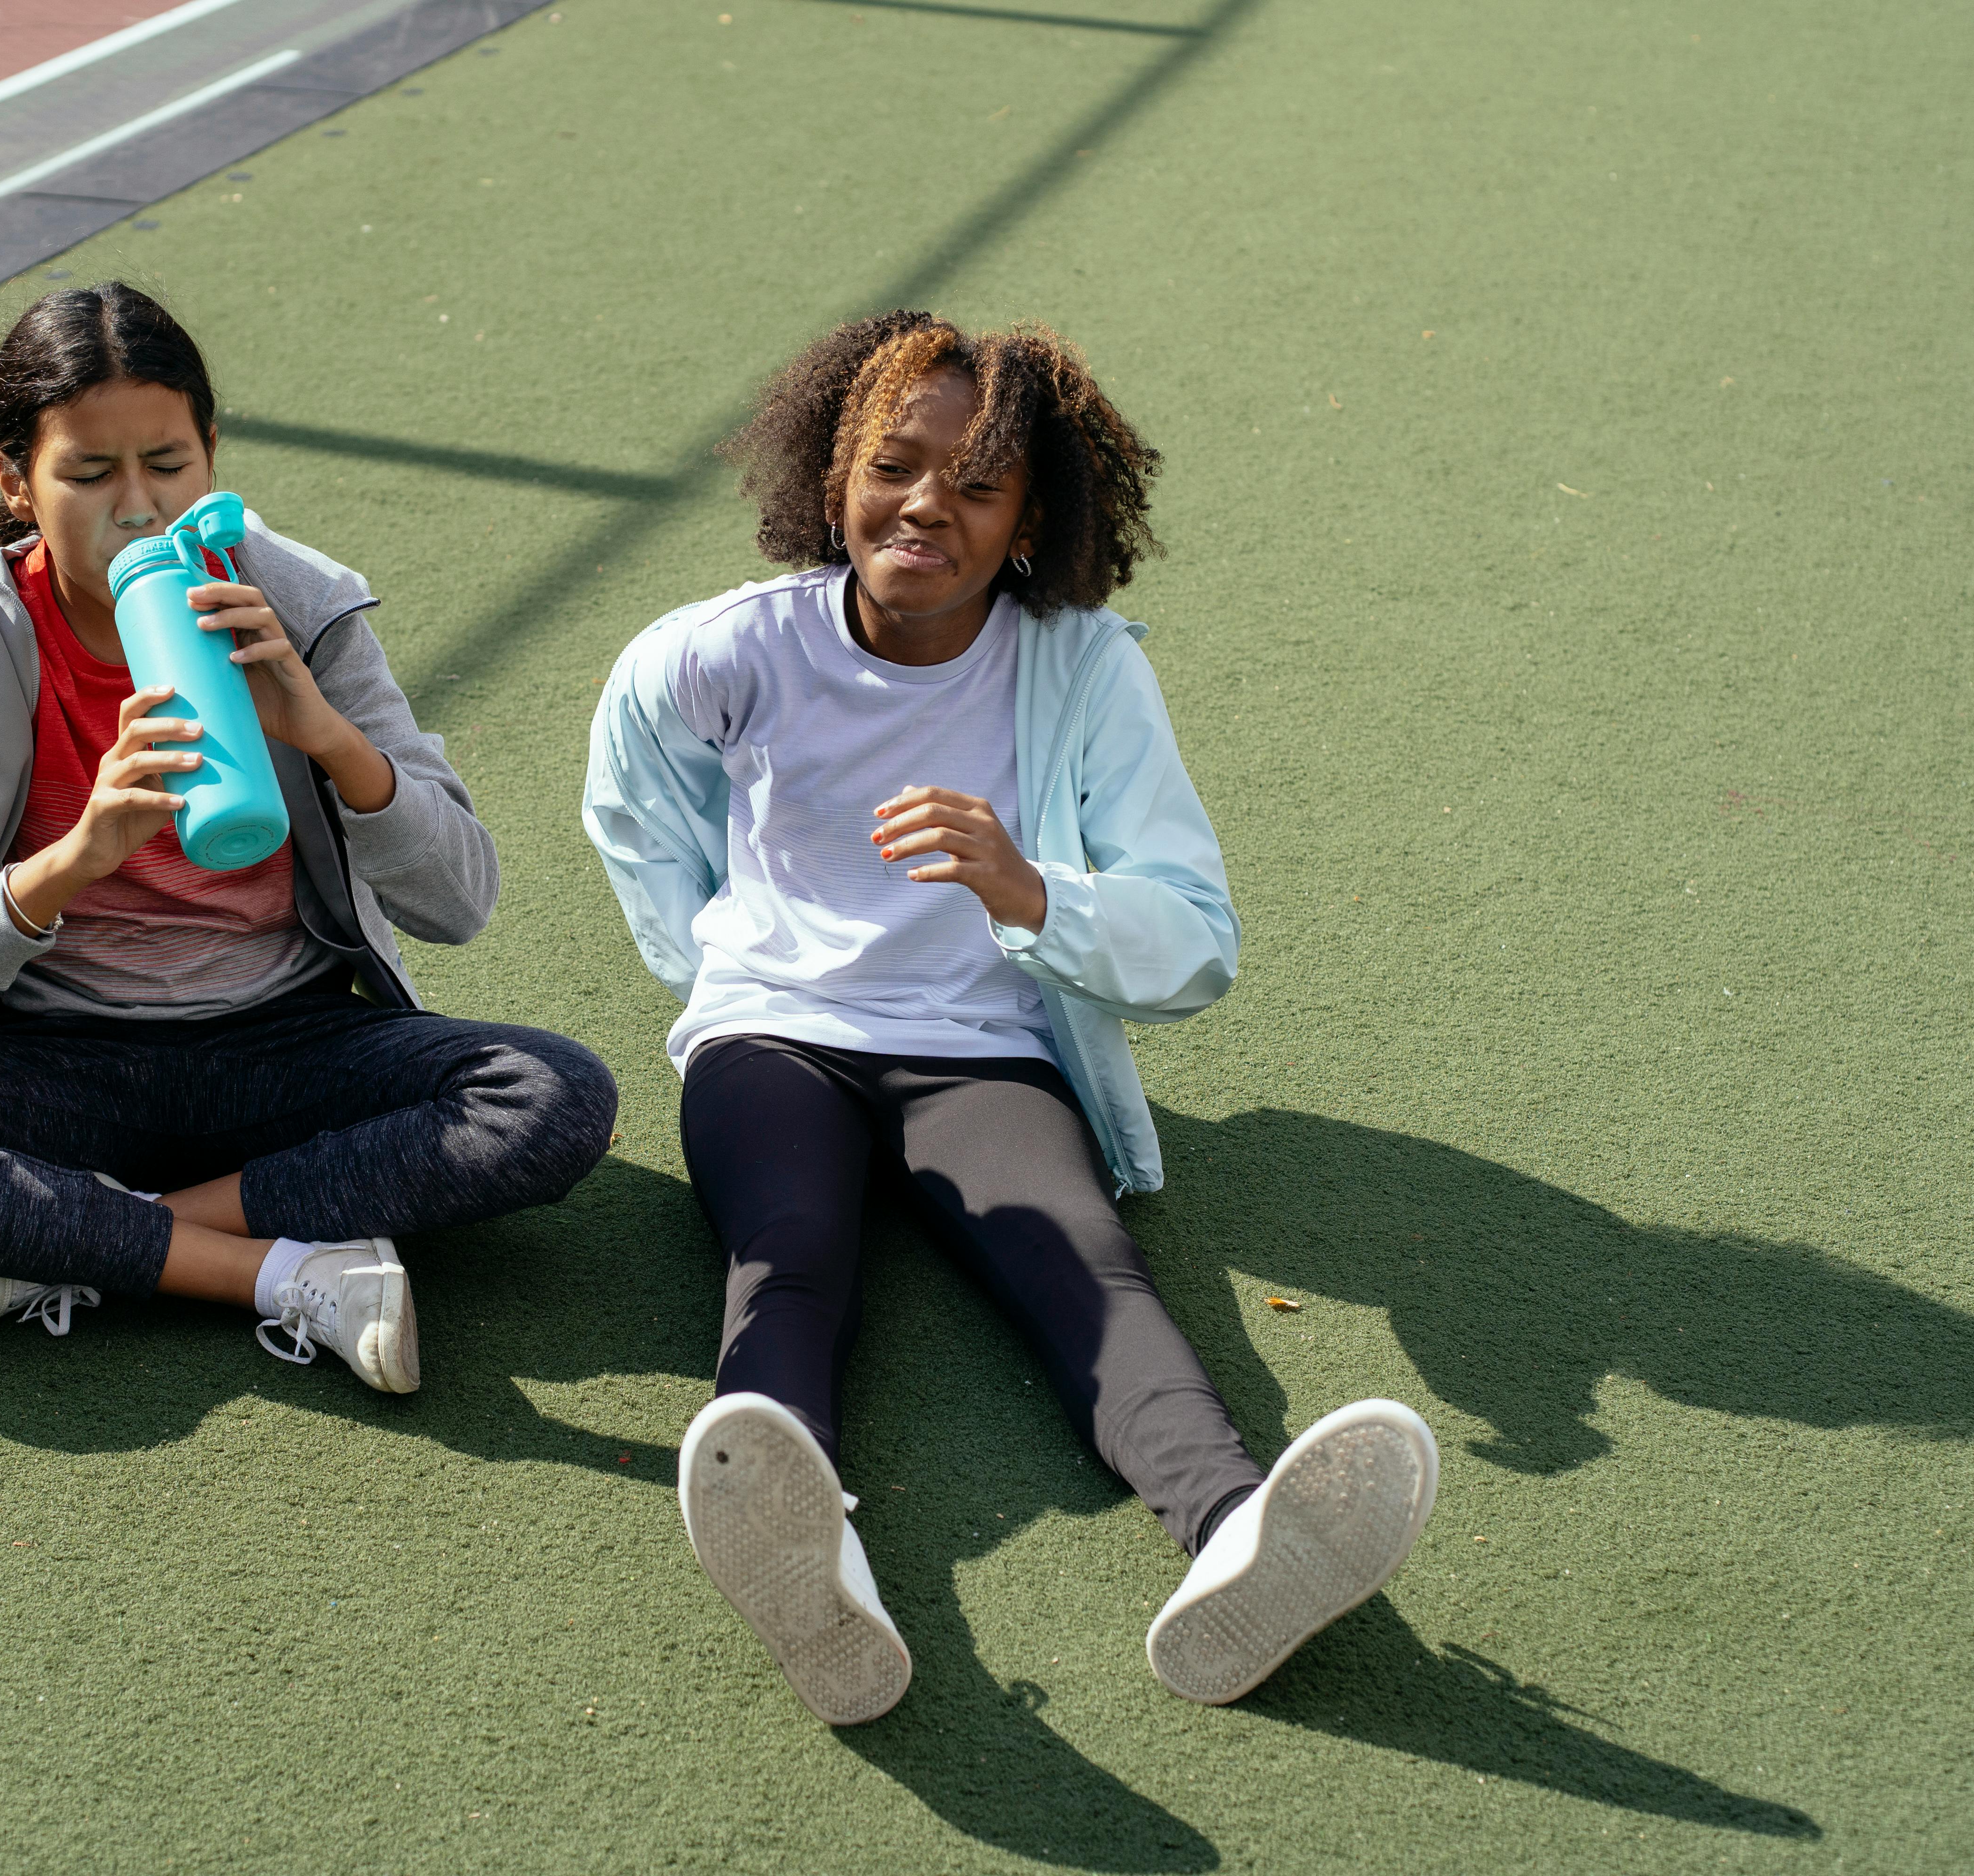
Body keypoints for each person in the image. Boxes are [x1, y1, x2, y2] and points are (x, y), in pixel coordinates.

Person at [585, 311, 1438, 1723]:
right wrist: (720, 971)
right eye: (894, 465)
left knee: (1089, 1274)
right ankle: (814, 1564)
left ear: (1033, 519)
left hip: (980, 1051)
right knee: (786, 1258)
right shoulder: (718, 655)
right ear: (833, 473)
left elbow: (1196, 940)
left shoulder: (1085, 669)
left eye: (978, 486)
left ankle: (1235, 1535)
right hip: (773, 1039)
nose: (926, 504)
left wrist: (1031, 891)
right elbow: (634, 809)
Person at [0, 282, 615, 1392]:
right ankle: (276, 1270)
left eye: (168, 462)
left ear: (213, 454)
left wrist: (329, 736)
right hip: (58, 1065)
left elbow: (461, 903)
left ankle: (81, 1239)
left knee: (555, 1094)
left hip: (284, 1046)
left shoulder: (298, 609)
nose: (140, 507)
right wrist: (72, 861)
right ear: (18, 482)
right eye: (91, 473)